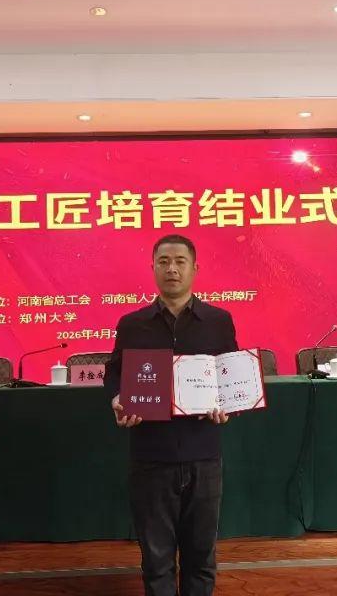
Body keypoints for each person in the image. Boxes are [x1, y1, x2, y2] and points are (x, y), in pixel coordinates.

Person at [104, 234, 238, 596]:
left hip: (203, 455)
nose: (172, 269)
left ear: (195, 268)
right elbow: (114, 373)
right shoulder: (132, 324)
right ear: (153, 268)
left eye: (180, 261)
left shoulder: (219, 321)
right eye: (163, 262)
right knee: (156, 561)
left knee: (201, 558)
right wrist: (117, 398)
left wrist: (227, 406)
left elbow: (229, 375)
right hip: (151, 456)